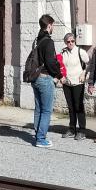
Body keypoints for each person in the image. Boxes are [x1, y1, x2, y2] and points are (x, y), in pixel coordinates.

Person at [30, 14, 63, 148]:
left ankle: (38, 134)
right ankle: (41, 139)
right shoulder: (48, 41)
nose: (53, 27)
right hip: (44, 78)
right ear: (49, 25)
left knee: (38, 108)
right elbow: (51, 62)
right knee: (46, 110)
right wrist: (59, 74)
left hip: (36, 78)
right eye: (53, 25)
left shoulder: (37, 40)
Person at [59, 33, 89, 140]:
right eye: (68, 42)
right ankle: (72, 129)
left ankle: (82, 130)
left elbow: (89, 64)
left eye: (72, 41)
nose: (70, 43)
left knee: (78, 106)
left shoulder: (81, 52)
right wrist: (60, 77)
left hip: (78, 83)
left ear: (75, 41)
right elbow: (60, 66)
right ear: (65, 42)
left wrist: (84, 73)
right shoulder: (63, 52)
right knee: (71, 107)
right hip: (67, 83)